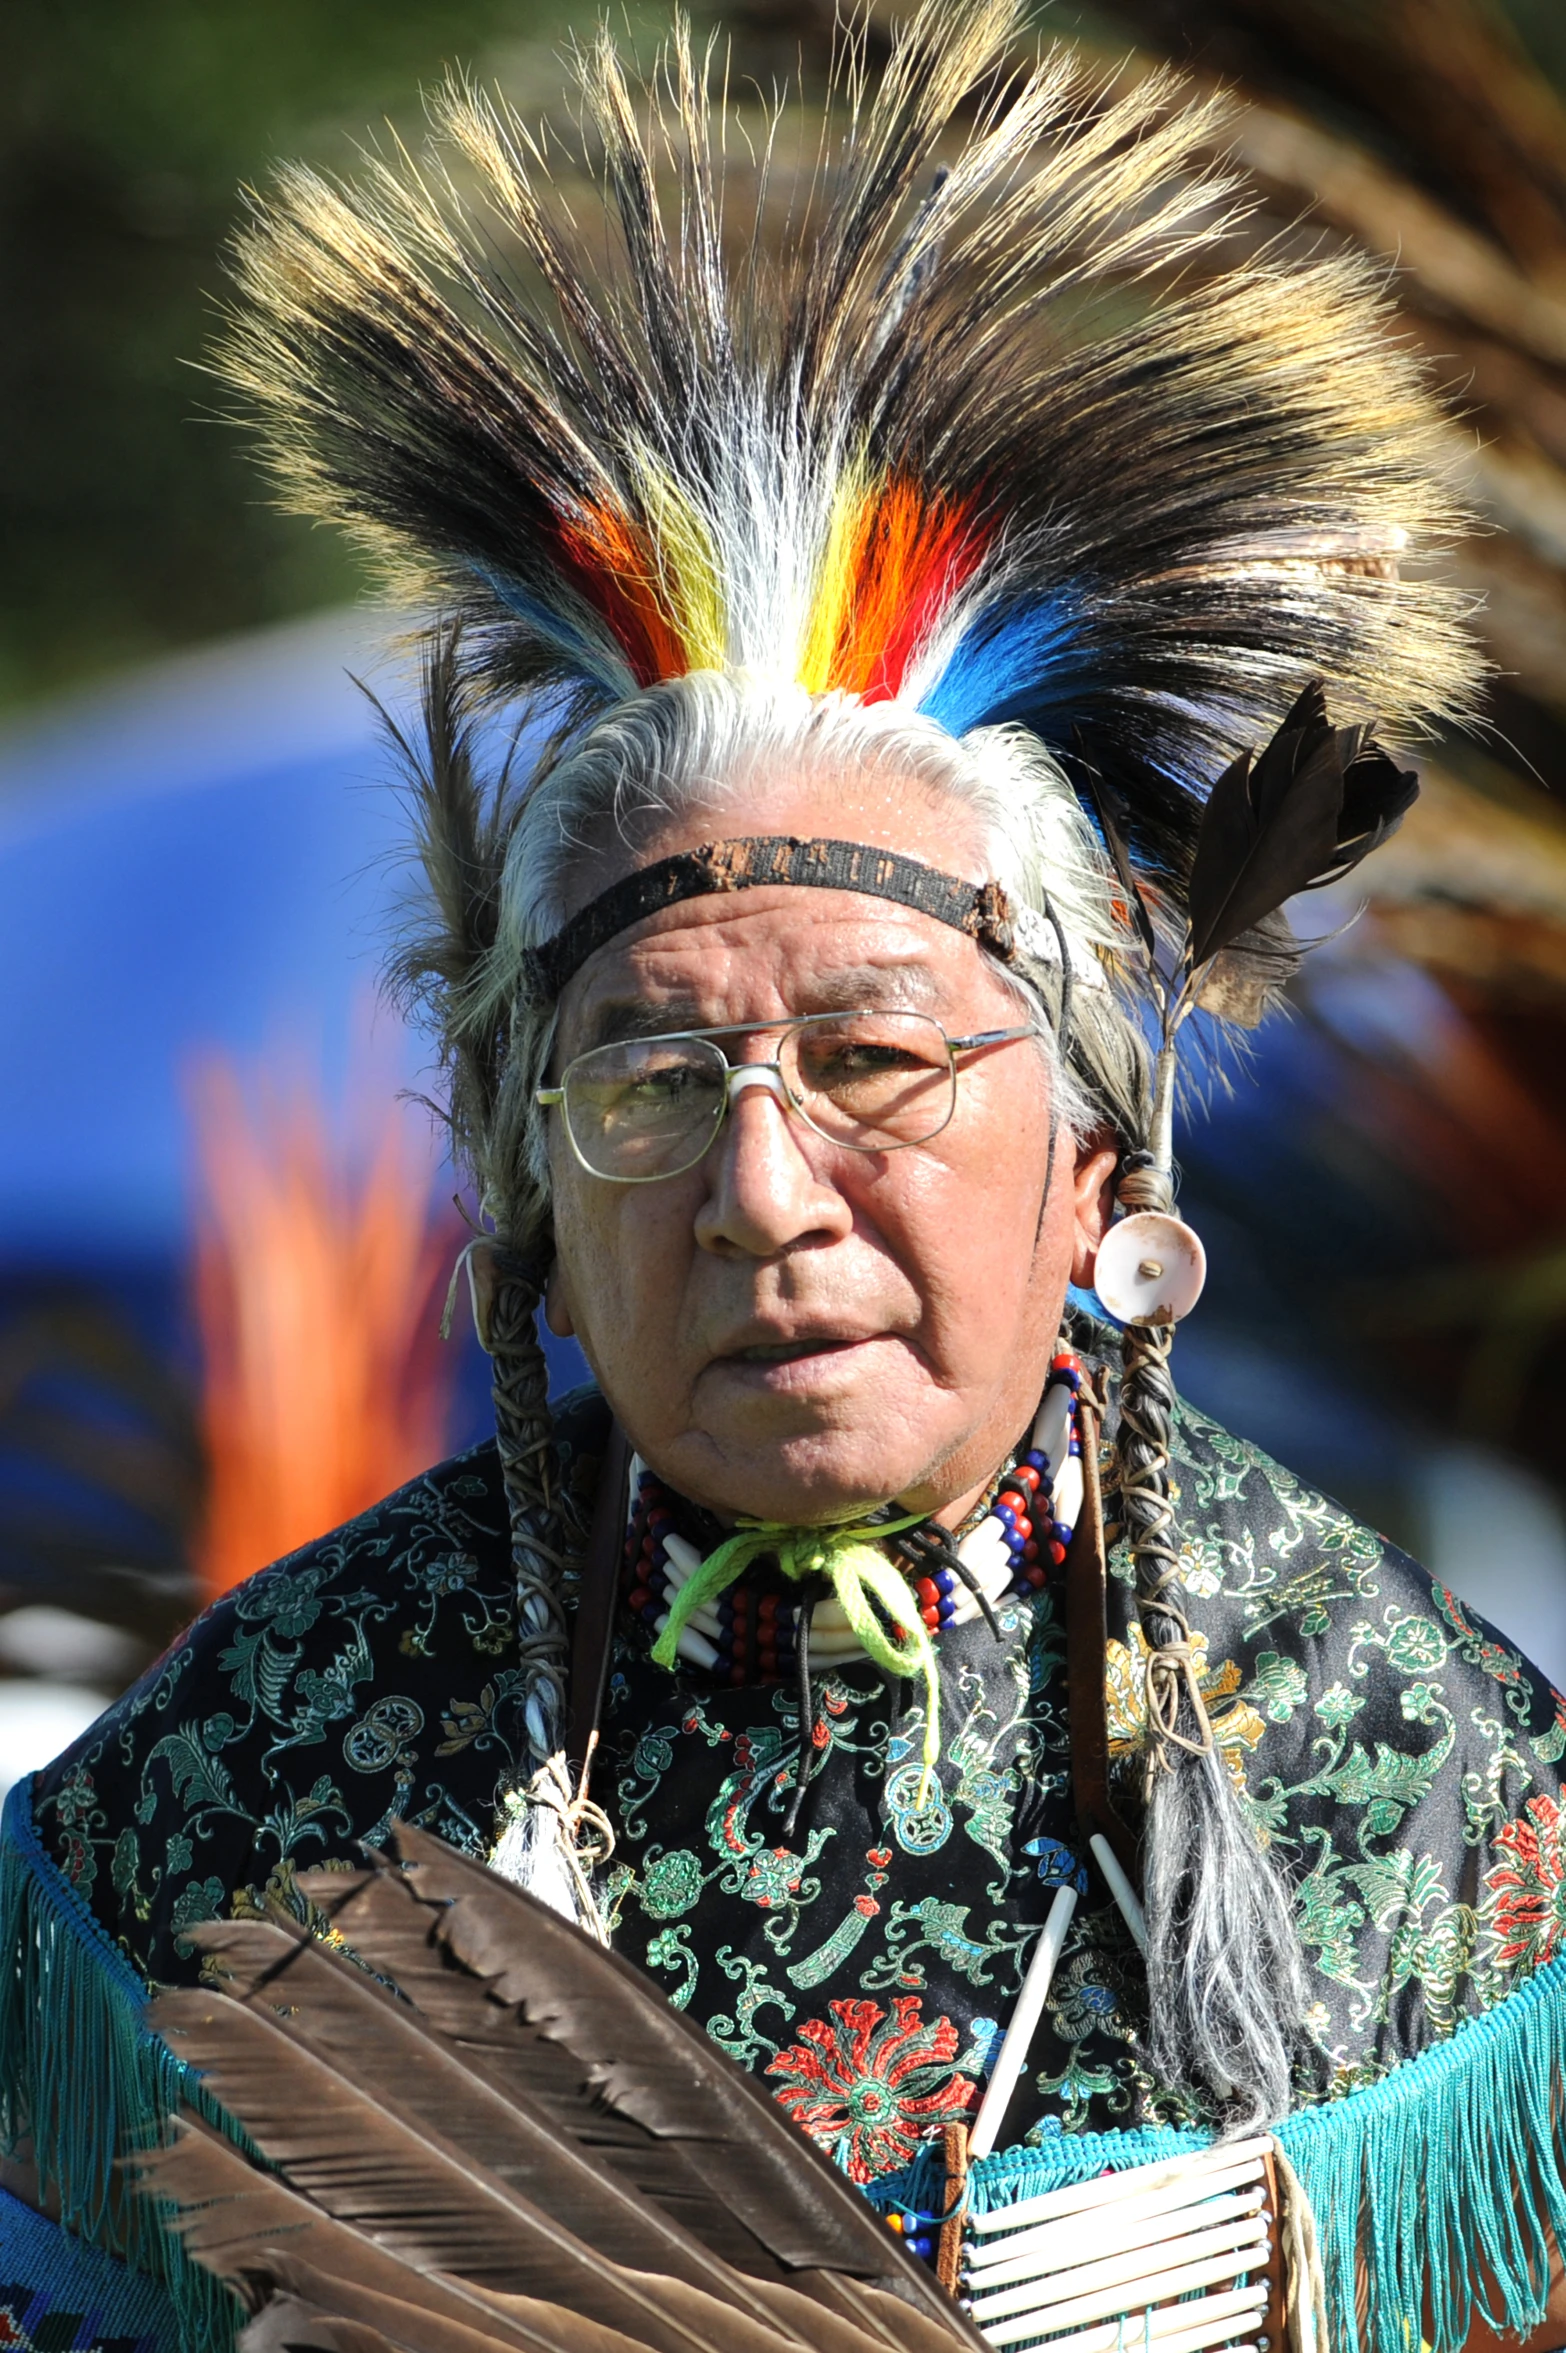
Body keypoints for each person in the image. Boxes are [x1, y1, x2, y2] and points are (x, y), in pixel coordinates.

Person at [4, 5, 1566, 2351]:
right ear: (526, 1183)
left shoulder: (1427, 1789)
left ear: (1094, 1155)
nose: (761, 1185)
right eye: (648, 1077)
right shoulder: (245, 1794)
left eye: (874, 1059)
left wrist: (1318, 2244)